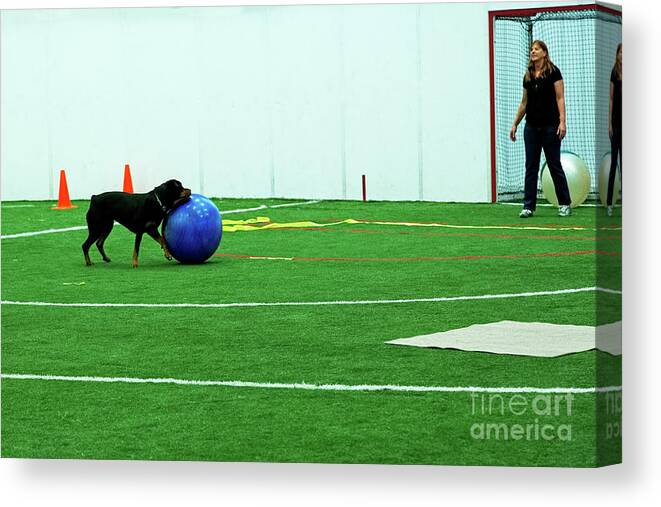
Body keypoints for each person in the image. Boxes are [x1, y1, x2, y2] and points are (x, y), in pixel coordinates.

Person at [510, 40, 572, 218]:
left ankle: (565, 203)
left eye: (536, 49)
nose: (533, 52)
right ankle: (528, 206)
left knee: (554, 165)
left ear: (544, 53)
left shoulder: (554, 72)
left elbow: (560, 98)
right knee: (531, 167)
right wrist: (515, 123)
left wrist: (562, 122)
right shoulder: (528, 75)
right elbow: (524, 103)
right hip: (531, 128)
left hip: (550, 128)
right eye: (531, 49)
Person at [607, 43, 622, 217]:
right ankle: (610, 203)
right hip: (616, 126)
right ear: (617, 55)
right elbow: (611, 99)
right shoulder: (614, 73)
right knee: (613, 165)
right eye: (621, 52)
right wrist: (609, 123)